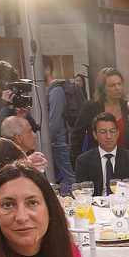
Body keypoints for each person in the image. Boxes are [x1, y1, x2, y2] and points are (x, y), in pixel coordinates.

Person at [73, 113, 129, 195]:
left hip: (123, 204)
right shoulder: (83, 160)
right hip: (95, 206)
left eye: (112, 131)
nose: (109, 136)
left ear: (118, 133)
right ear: (95, 135)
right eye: (103, 132)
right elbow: (82, 193)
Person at [42, 56, 75, 184]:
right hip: (57, 143)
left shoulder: (56, 90)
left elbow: (54, 121)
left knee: (71, 179)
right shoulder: (49, 90)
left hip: (61, 143)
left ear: (47, 70)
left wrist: (45, 143)